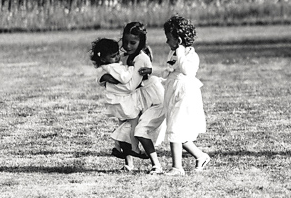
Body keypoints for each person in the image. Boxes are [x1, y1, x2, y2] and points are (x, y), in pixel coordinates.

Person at [153, 15, 210, 175]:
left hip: (185, 94)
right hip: (172, 92)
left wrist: (181, 54)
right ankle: (200, 156)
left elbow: (187, 71)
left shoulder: (190, 55)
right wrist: (162, 75)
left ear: (178, 40)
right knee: (175, 128)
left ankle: (177, 167)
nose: (166, 42)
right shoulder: (172, 53)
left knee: (175, 128)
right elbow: (171, 69)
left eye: (169, 38)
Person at [90, 38, 149, 172]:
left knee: (123, 127)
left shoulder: (105, 67)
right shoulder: (113, 67)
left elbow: (100, 77)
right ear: (104, 58)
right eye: (113, 56)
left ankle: (122, 153)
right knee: (133, 123)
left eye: (117, 54)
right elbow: (124, 78)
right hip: (124, 103)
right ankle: (134, 148)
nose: (117, 57)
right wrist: (132, 68)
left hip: (116, 103)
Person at [120, 22, 167, 174]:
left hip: (152, 98)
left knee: (140, 130)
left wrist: (114, 82)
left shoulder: (141, 58)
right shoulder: (124, 57)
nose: (128, 46)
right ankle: (128, 164)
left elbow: (132, 83)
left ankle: (156, 166)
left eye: (132, 43)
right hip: (137, 97)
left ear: (142, 42)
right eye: (125, 42)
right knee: (125, 126)